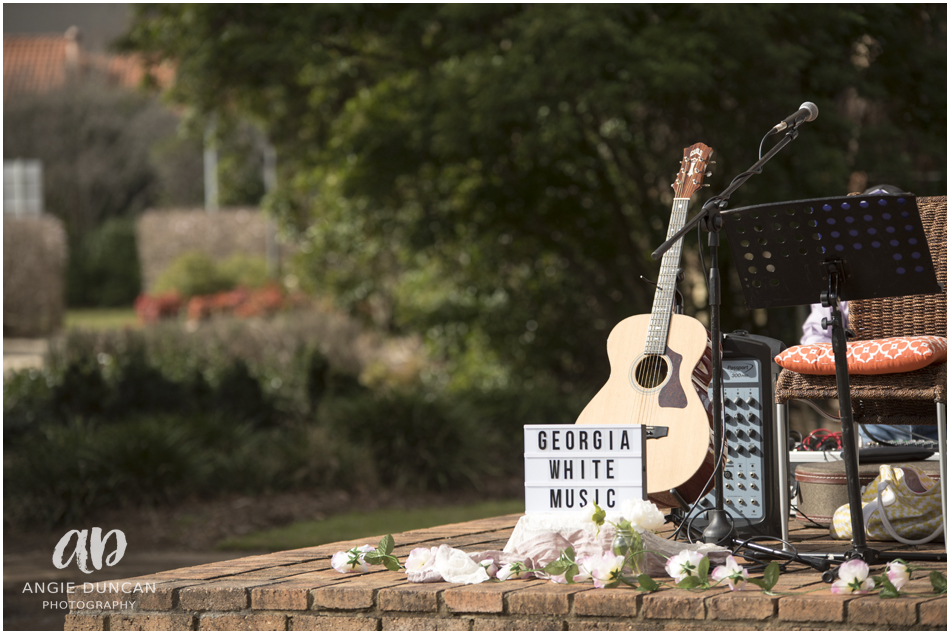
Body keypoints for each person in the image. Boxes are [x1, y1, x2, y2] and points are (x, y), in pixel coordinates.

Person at [797, 184, 938, 444]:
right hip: (873, 418)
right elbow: (816, 336)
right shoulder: (842, 278)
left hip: (941, 412)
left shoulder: (940, 266)